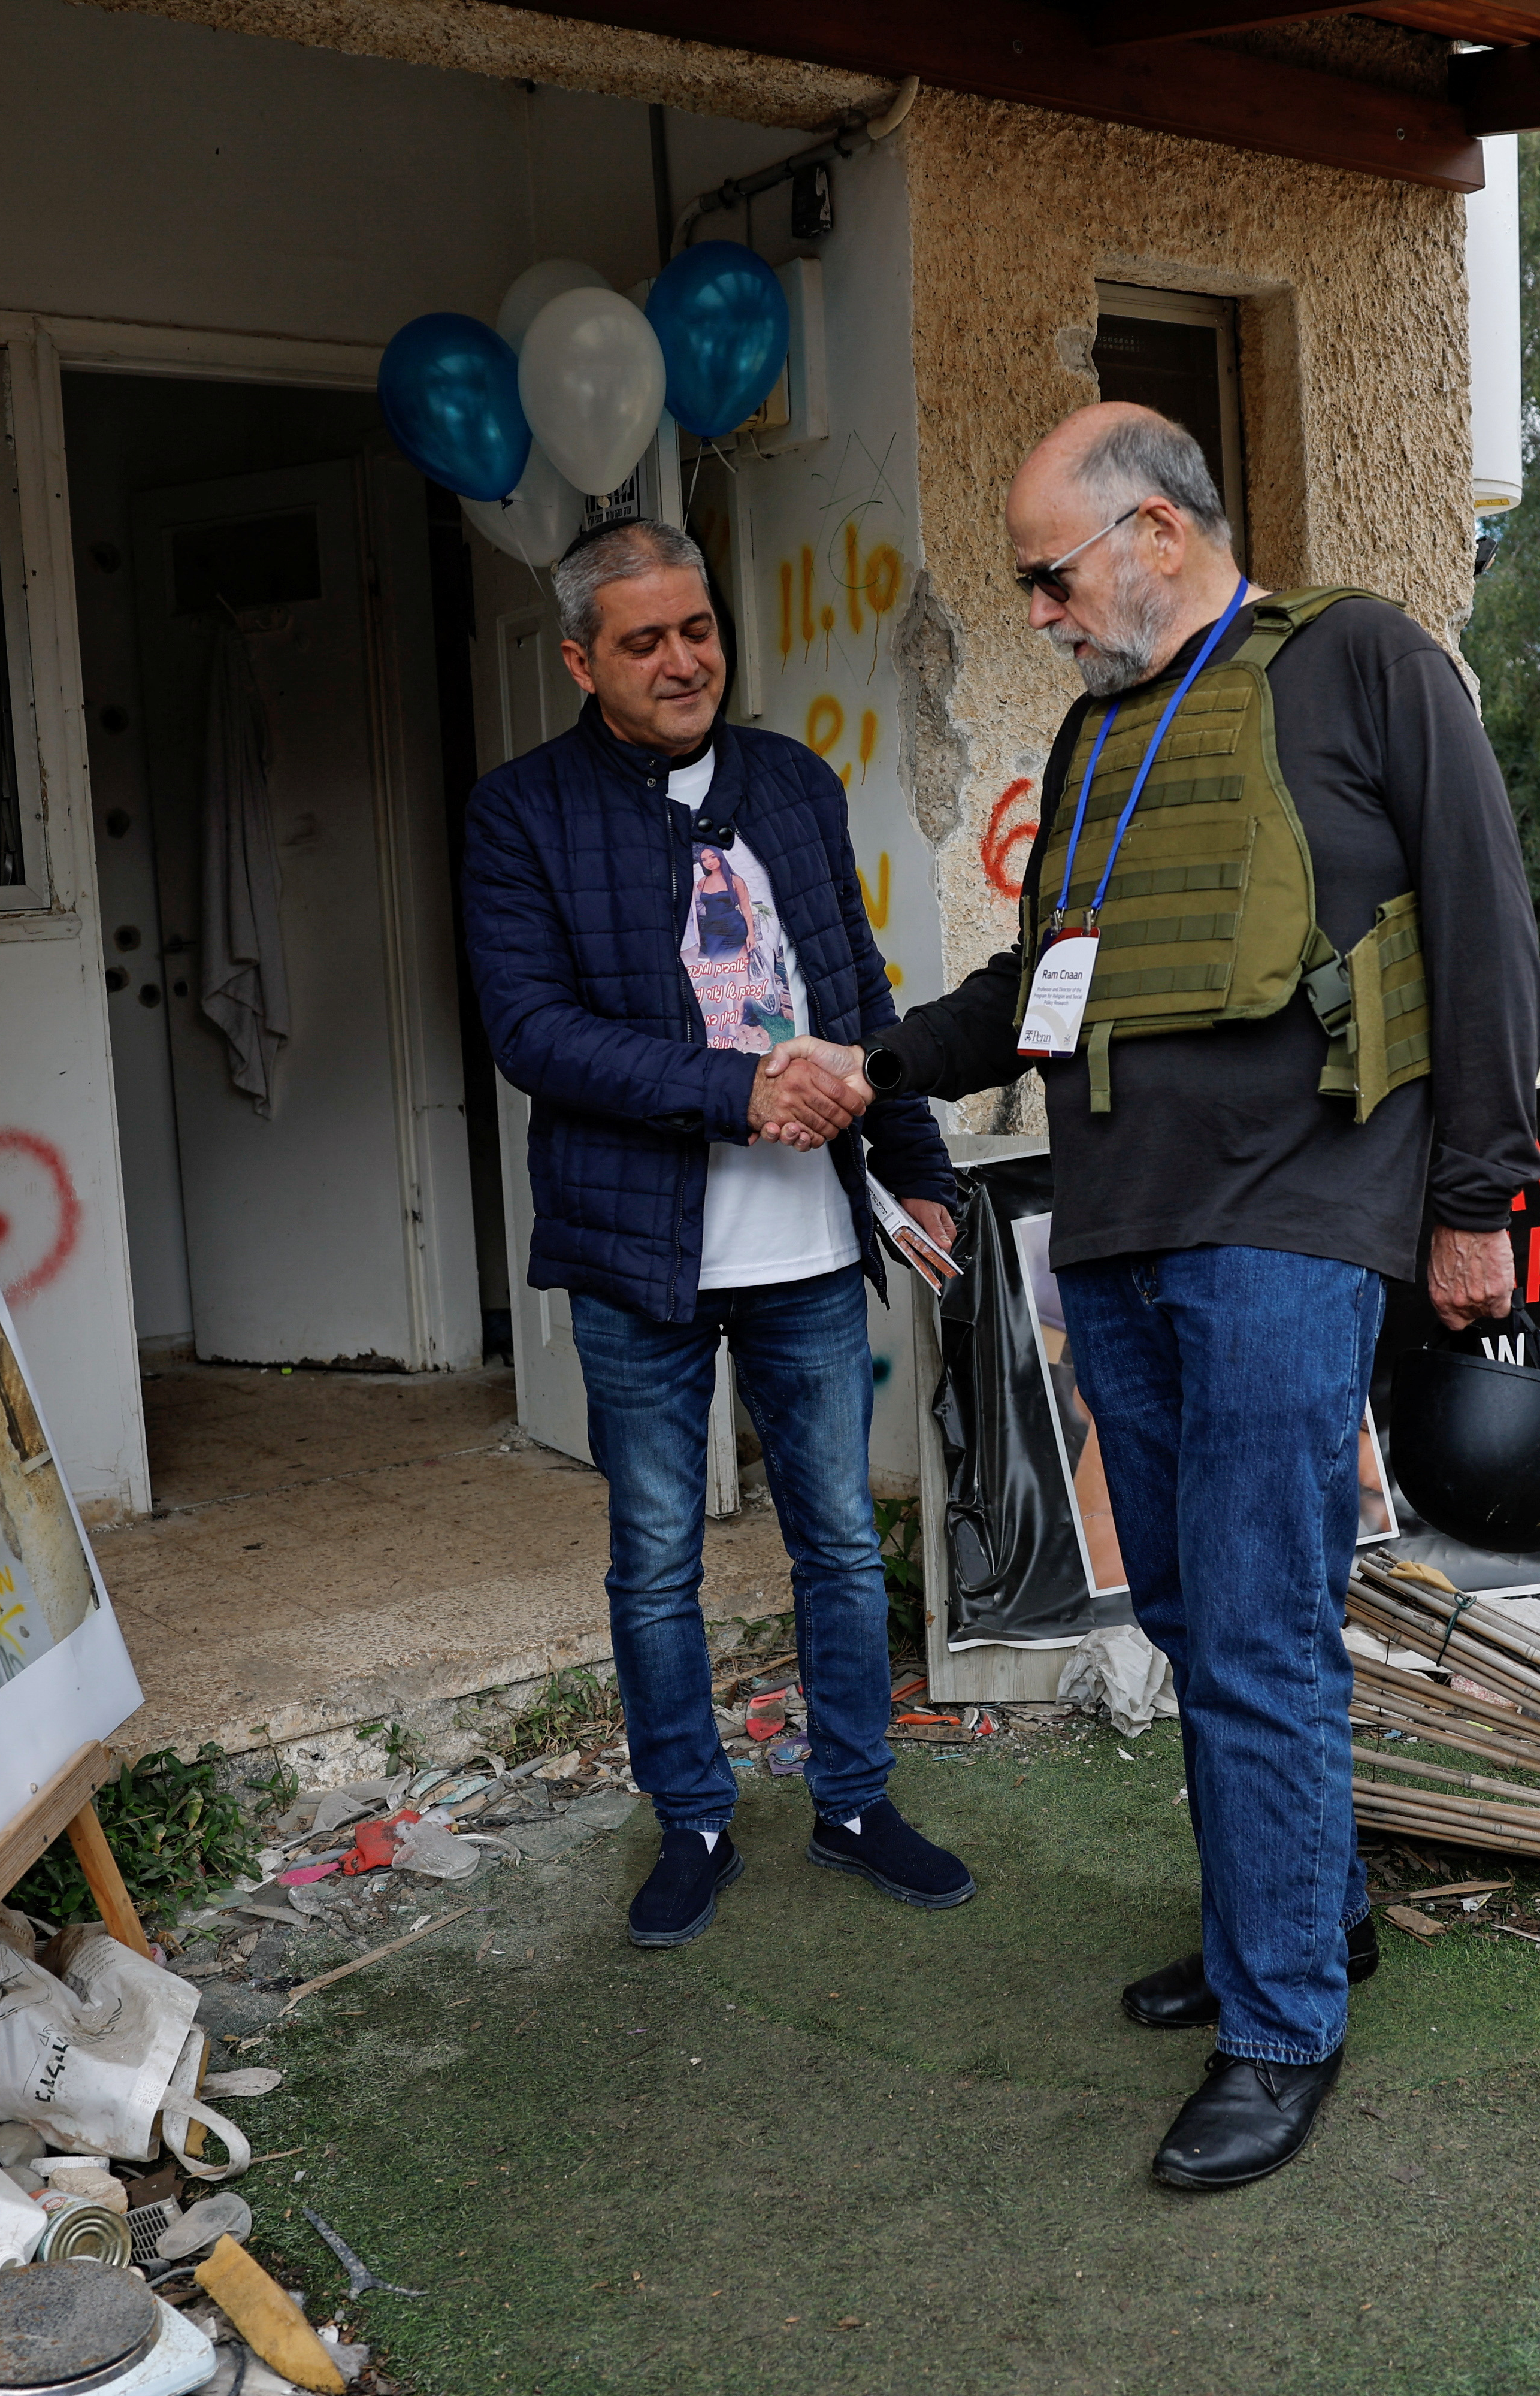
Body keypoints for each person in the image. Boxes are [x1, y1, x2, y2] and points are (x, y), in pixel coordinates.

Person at [774, 404, 1540, 2189]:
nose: (1035, 609)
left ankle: (1280, 2025)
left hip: (1295, 1212)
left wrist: (1479, 1196)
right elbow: (1034, 989)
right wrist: (867, 1065)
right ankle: (1305, 1909)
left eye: (1048, 574)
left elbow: (1486, 924)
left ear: (1155, 534)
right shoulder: (1102, 733)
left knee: (1260, 1617)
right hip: (1117, 1229)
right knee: (1195, 1614)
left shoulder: (1360, 661)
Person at [462, 518, 975, 1950]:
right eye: (644, 639)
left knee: (835, 1538)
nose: (684, 659)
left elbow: (858, 988)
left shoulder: (791, 784)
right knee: (653, 1555)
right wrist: (735, 1089)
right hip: (641, 1250)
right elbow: (534, 1032)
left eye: (698, 628)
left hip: (809, 1242)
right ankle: (690, 1817)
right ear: (580, 658)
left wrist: (915, 1164)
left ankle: (858, 1798)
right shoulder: (521, 813)